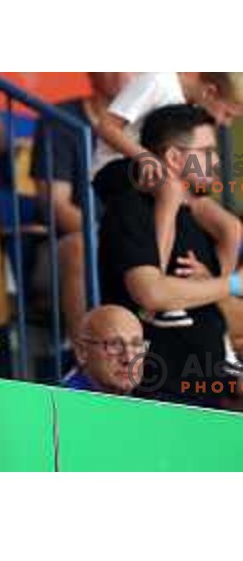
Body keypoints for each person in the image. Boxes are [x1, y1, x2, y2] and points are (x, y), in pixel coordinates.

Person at [97, 104, 243, 408]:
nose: (215, 162)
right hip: (151, 398)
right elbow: (150, 292)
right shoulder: (132, 209)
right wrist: (230, 284)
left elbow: (221, 318)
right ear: (174, 157)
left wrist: (217, 289)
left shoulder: (204, 223)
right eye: (206, 152)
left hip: (209, 400)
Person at [94, 72, 243, 328]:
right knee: (172, 188)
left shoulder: (192, 106)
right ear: (210, 91)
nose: (225, 123)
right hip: (118, 166)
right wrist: (144, 157)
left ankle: (217, 291)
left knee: (231, 226)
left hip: (158, 169)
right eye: (227, 114)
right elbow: (106, 126)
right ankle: (158, 278)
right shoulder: (158, 80)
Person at [29, 73, 136, 343]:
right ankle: (85, 361)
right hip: (62, 248)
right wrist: (114, 239)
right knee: (80, 247)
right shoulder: (60, 121)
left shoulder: (148, 125)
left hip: (128, 244)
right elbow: (56, 206)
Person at [62, 305, 146, 395]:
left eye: (136, 345)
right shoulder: (63, 402)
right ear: (82, 352)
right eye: (114, 345)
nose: (129, 359)